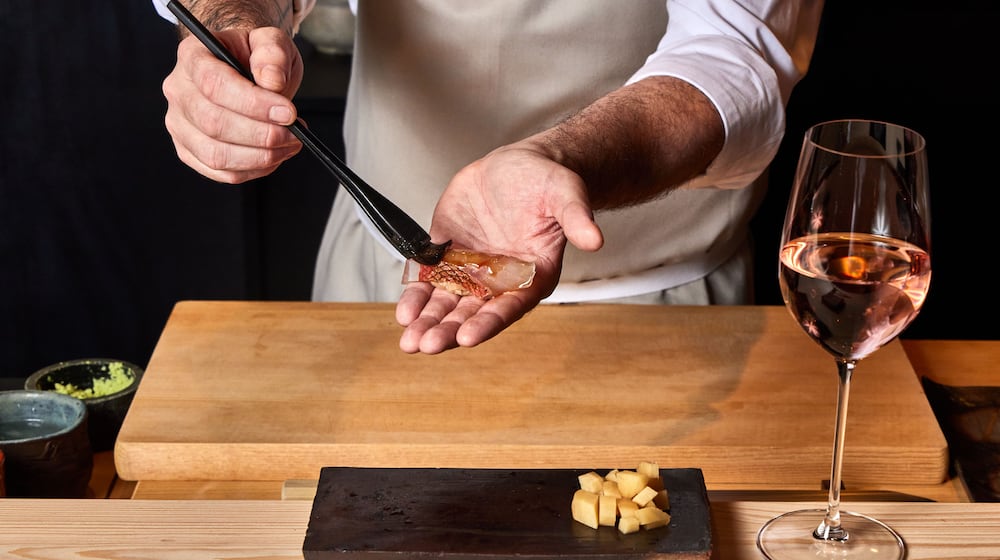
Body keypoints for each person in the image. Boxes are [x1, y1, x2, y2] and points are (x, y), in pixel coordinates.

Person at [153, 0, 824, 354]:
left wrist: (567, 162)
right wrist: (233, 25)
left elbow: (736, 54)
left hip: (662, 314)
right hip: (375, 289)